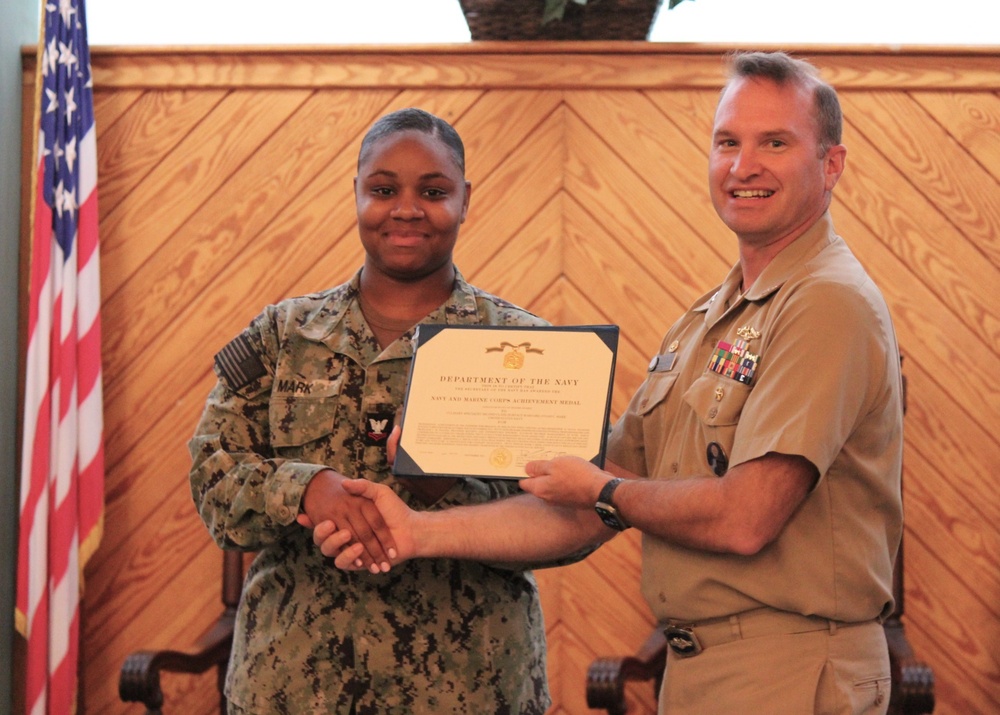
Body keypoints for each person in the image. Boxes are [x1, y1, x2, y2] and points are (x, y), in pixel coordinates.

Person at [315, 51, 904, 714]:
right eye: (727, 142)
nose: (744, 166)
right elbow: (585, 507)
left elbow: (746, 517)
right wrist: (416, 531)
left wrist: (604, 490)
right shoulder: (708, 320)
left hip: (791, 671)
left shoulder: (825, 302)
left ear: (831, 165)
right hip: (705, 671)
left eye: (775, 142)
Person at [188, 107, 590, 714]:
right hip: (294, 686)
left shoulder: (527, 348)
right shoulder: (281, 335)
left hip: (468, 688)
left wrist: (454, 495)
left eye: (433, 191)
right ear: (356, 193)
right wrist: (307, 490)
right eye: (383, 190)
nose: (406, 208)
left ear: (465, 199)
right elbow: (213, 480)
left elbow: (577, 519)